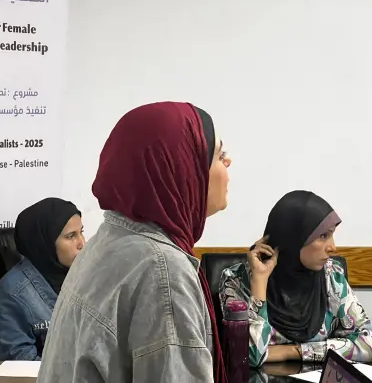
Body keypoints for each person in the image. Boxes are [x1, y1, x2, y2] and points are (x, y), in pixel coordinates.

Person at [37, 102, 231, 383]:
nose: (228, 162)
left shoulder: (107, 241)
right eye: (219, 155)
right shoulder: (162, 270)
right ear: (183, 168)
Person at [219, 190, 372, 367]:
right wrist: (259, 282)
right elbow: (247, 357)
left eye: (331, 235)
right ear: (293, 237)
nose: (333, 247)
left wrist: (293, 352)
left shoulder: (331, 276)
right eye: (323, 236)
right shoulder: (236, 281)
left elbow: (367, 345)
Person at [0, 197, 85, 361]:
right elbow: (19, 368)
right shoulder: (11, 296)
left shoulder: (82, 277)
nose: (82, 243)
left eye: (81, 232)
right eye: (71, 236)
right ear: (44, 241)